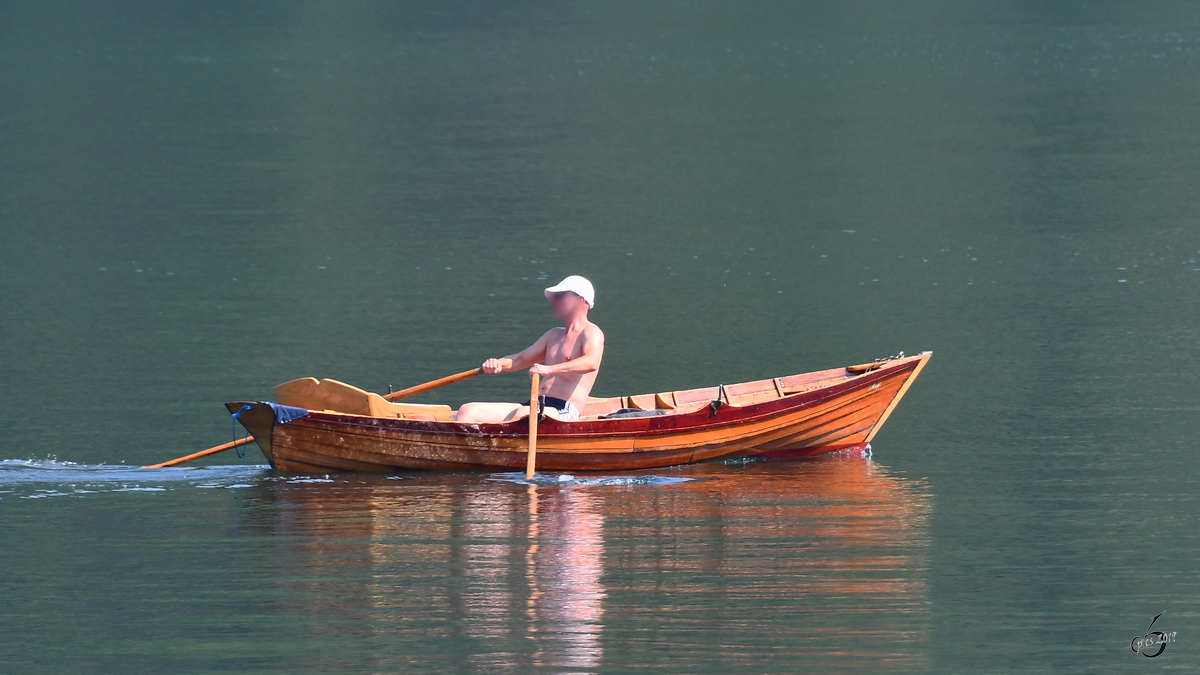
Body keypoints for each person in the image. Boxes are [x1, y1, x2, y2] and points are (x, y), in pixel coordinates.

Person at [456, 276, 604, 423]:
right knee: (467, 411)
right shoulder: (553, 335)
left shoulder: (591, 332)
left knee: (522, 414)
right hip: (535, 405)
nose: (553, 301)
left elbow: (591, 363)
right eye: (553, 297)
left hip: (563, 410)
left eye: (559, 296)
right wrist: (497, 363)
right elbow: (520, 359)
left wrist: (549, 369)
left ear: (581, 299)